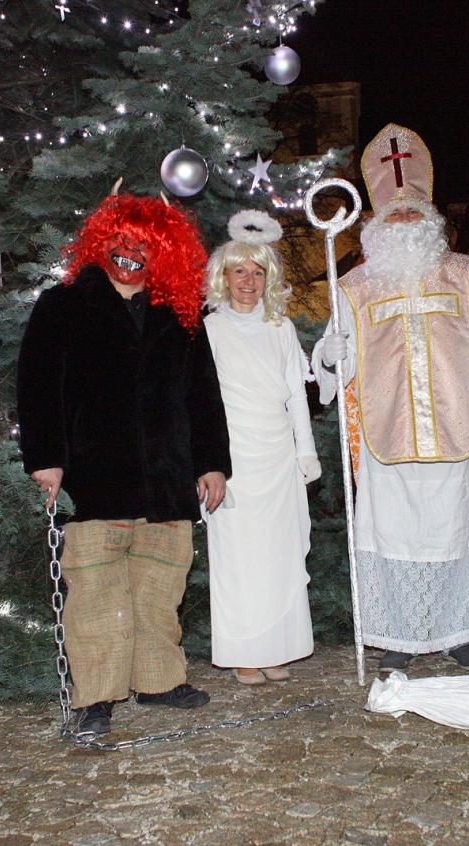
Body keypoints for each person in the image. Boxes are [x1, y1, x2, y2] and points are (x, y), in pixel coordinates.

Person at [313, 124, 469, 675]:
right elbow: (337, 358)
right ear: (377, 225)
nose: (405, 222)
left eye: (414, 213)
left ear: (430, 219)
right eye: (395, 215)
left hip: (457, 424)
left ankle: (461, 633)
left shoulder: (463, 275)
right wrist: (331, 357)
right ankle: (400, 638)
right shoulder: (355, 287)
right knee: (393, 535)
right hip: (387, 431)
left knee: (458, 530)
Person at [16, 192, 231, 736]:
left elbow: (203, 393)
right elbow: (37, 388)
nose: (130, 252)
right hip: (96, 478)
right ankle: (96, 697)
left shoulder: (178, 313)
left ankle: (158, 681)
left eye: (144, 245)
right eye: (121, 240)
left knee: (160, 590)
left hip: (165, 479)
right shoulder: (62, 305)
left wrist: (211, 462)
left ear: (165, 253)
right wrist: (47, 460)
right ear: (101, 241)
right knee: (95, 594)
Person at [202, 209, 320, 686]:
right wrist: (207, 462)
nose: (248, 281)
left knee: (279, 556)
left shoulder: (281, 328)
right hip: (233, 459)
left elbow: (296, 394)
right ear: (224, 277)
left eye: (256, 272)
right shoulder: (209, 329)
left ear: (267, 278)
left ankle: (276, 648)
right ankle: (243, 653)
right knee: (237, 556)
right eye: (239, 271)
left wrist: (305, 451)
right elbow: (201, 402)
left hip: (277, 457)